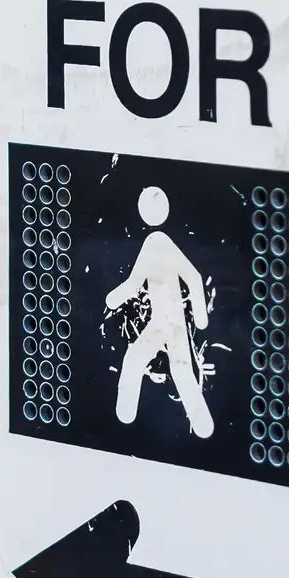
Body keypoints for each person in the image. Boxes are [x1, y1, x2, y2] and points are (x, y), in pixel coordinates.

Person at [105, 185, 214, 438]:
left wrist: (201, 316)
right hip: (162, 323)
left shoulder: (157, 243)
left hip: (171, 323)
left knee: (175, 368)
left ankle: (201, 425)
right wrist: (200, 317)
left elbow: (192, 277)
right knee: (146, 362)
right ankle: (126, 413)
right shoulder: (156, 243)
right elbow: (137, 282)